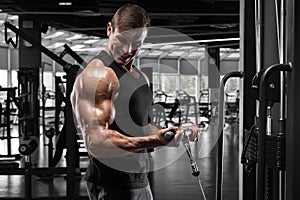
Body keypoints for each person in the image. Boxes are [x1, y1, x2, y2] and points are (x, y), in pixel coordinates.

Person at [71, 4, 200, 200]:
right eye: (122, 40)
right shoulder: (99, 74)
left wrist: (173, 135)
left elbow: (141, 127)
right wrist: (155, 141)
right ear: (109, 30)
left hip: (139, 180)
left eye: (136, 43)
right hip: (111, 183)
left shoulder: (139, 77)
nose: (128, 50)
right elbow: (95, 142)